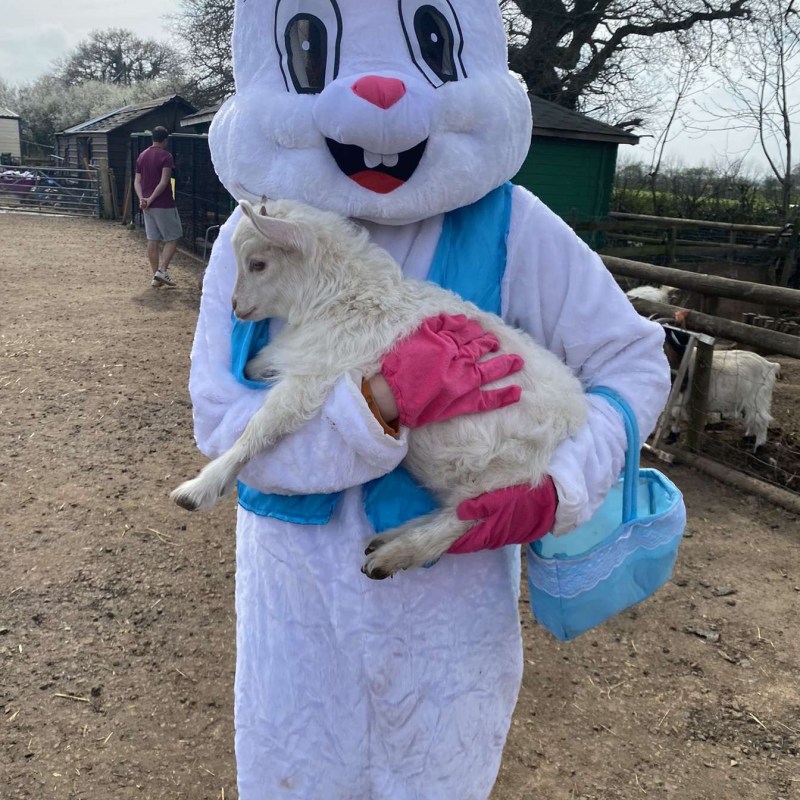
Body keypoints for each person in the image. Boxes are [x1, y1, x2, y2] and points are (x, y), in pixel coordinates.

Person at [186, 1, 673, 798]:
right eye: (313, 54)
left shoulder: (515, 225)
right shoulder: (254, 240)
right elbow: (220, 419)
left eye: (430, 46)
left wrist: (562, 484)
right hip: (296, 621)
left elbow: (633, 360)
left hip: (448, 633)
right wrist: (372, 407)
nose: (379, 93)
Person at [134, 126, 180, 288]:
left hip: (146, 205)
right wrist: (152, 198)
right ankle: (161, 270)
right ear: (165, 140)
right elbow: (164, 181)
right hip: (163, 203)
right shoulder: (166, 156)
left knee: (152, 239)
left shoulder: (142, 156)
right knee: (173, 238)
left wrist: (142, 199)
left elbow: (137, 181)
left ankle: (155, 276)